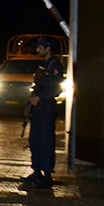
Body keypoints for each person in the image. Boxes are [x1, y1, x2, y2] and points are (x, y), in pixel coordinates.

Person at [21, 37, 64, 189]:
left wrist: (41, 98)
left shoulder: (54, 65)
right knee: (35, 140)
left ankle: (47, 175)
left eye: (40, 47)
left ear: (48, 48)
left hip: (46, 107)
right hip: (38, 108)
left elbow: (56, 88)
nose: (37, 49)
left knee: (46, 141)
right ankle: (37, 171)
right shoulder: (42, 65)